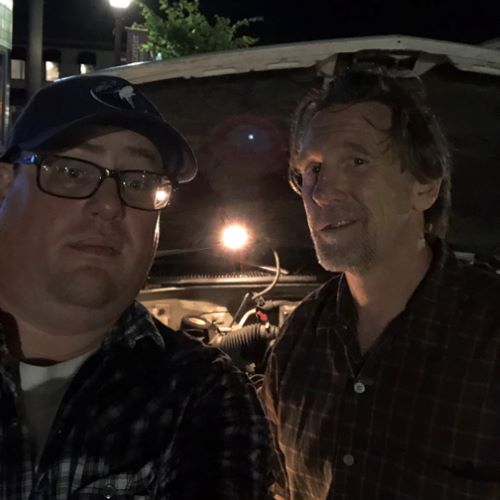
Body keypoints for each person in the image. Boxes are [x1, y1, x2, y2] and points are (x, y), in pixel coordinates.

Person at [0, 74, 272, 499]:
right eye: (72, 171)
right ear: (4, 183)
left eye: (139, 181)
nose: (109, 205)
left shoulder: (203, 396)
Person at [261, 67, 500, 499]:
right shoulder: (297, 344)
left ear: (425, 188)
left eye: (356, 161)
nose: (320, 193)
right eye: (311, 169)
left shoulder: (489, 335)